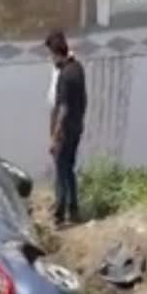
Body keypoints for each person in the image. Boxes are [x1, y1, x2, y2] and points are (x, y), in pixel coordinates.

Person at [45, 30, 87, 227]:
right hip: (77, 126)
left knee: (61, 170)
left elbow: (63, 108)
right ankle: (74, 210)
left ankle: (60, 214)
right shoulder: (78, 68)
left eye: (51, 55)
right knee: (68, 168)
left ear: (56, 53)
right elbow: (84, 100)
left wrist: (54, 136)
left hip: (66, 129)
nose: (50, 59)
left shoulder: (64, 76)